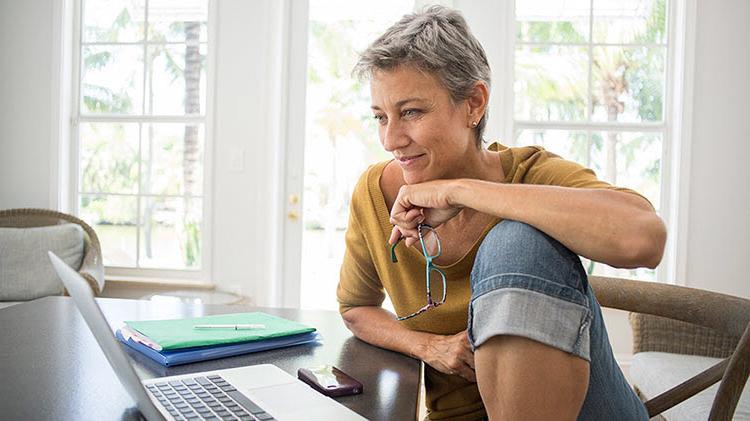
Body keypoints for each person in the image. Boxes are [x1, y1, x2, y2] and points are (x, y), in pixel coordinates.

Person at [336, 6, 666, 421]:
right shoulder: (375, 193)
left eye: (412, 112)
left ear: (474, 104)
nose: (391, 139)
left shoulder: (533, 174)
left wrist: (462, 192)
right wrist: (428, 347)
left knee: (518, 239)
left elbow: (644, 238)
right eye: (381, 117)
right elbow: (356, 308)